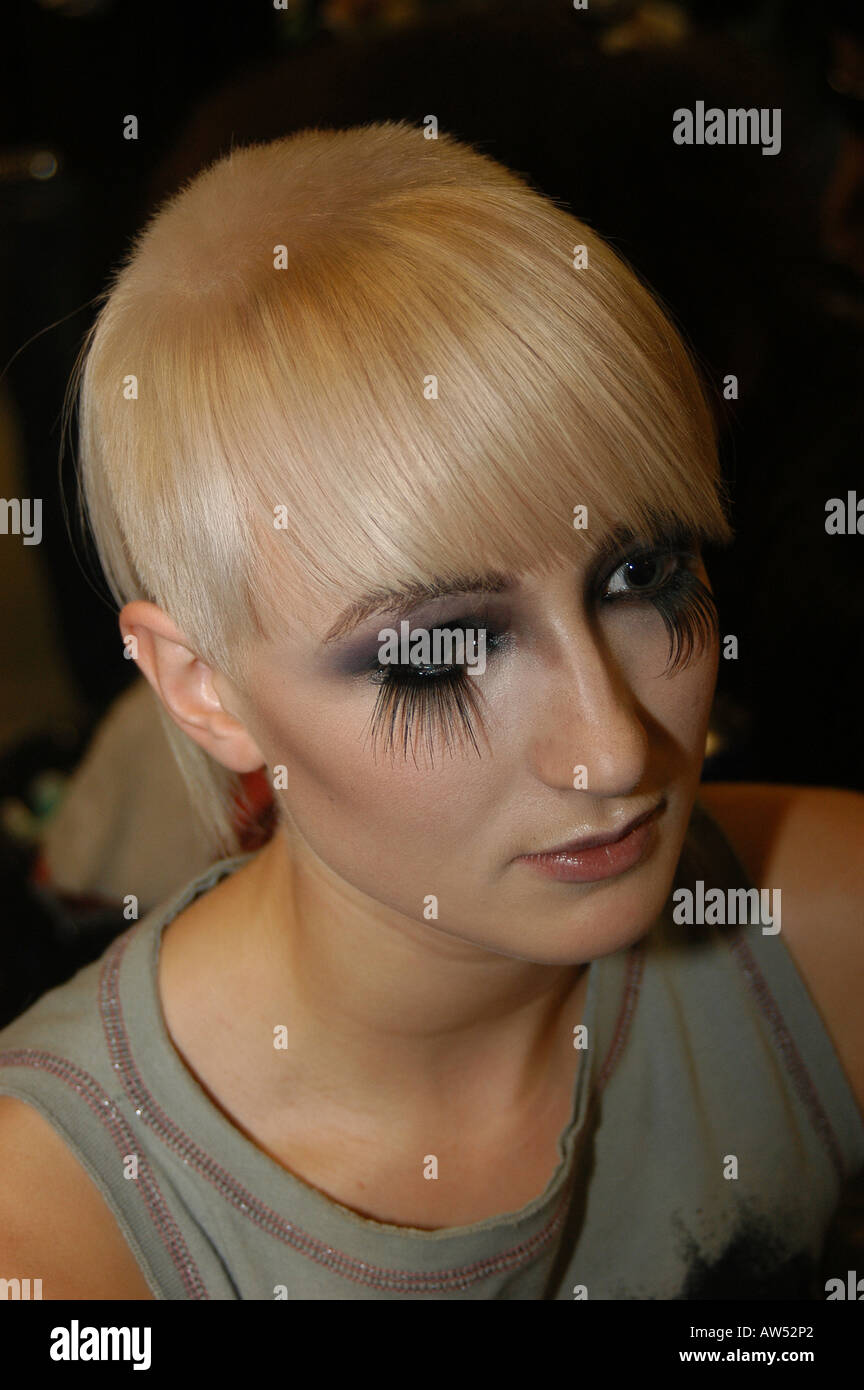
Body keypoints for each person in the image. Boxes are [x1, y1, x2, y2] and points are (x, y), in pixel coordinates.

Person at [0, 120, 861, 1301]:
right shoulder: (59, 1240)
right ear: (202, 686)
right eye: (440, 654)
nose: (615, 747)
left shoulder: (827, 927)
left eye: (641, 577)